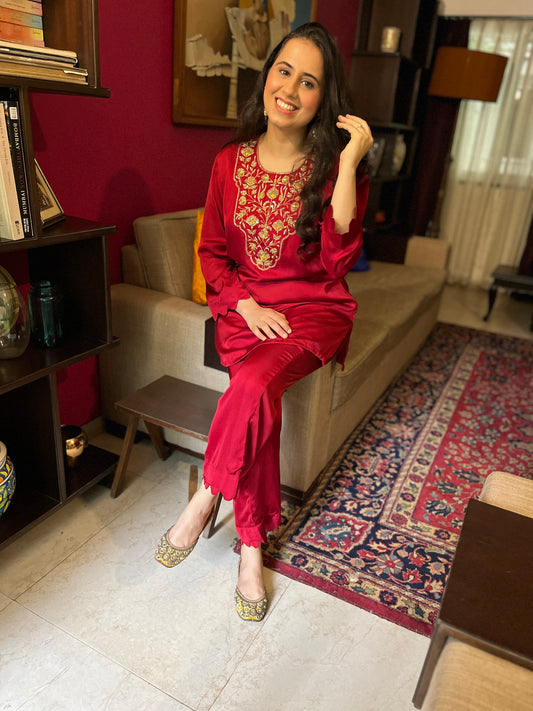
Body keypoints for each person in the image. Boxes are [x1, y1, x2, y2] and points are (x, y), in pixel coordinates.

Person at [155, 22, 373, 622]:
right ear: (267, 76)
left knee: (251, 384)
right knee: (259, 399)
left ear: (322, 100)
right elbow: (212, 253)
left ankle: (208, 494)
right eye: (284, 71)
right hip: (246, 311)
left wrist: (349, 161)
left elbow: (339, 259)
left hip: (313, 313)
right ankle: (251, 546)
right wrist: (244, 303)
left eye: (309, 82)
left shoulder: (332, 170)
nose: (291, 90)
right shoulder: (228, 163)